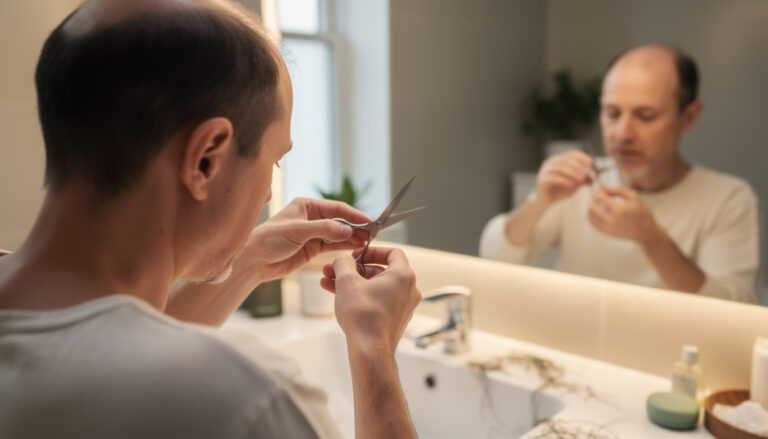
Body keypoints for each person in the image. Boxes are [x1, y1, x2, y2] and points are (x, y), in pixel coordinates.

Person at [0, 1, 421, 438]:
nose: (267, 194)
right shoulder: (243, 403)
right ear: (205, 160)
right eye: (275, 162)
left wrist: (247, 262)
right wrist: (373, 349)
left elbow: (102, 346)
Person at [480, 44, 759, 303]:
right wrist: (538, 203)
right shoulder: (580, 183)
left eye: (645, 116)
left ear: (689, 117)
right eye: (612, 114)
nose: (622, 134)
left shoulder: (729, 199)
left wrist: (652, 239)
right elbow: (493, 259)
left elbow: (736, 308)